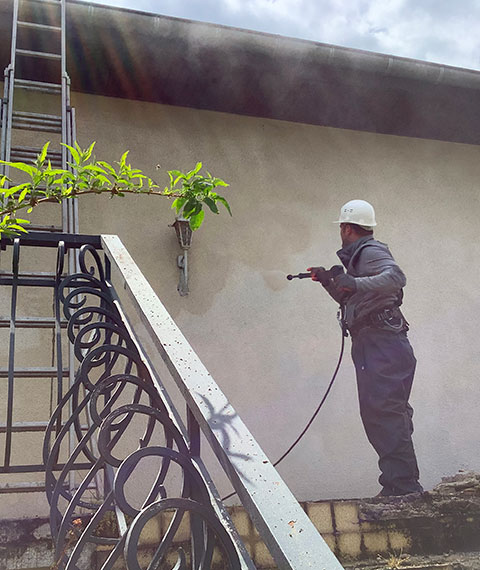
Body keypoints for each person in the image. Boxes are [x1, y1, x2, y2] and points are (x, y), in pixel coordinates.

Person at [308, 199, 423, 497]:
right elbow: (356, 299)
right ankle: (401, 483)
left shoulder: (370, 252)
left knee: (383, 411)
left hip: (381, 343)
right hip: (381, 342)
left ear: (346, 228)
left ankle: (402, 487)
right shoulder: (360, 259)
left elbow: (397, 277)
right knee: (386, 412)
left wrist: (355, 284)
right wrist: (330, 283)